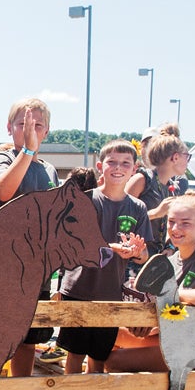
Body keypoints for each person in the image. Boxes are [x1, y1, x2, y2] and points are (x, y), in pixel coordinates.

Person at [106, 194, 195, 372]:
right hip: (176, 339)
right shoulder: (170, 261)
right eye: (171, 222)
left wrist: (169, 293)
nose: (175, 228)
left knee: (114, 361)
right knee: (103, 340)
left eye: (185, 223)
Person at [57, 139, 151, 374]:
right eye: (112, 162)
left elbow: (145, 255)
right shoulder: (85, 200)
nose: (118, 168)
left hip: (111, 293)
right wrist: (110, 247)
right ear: (100, 166)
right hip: (78, 289)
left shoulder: (138, 208)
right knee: (74, 355)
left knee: (99, 358)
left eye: (125, 163)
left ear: (134, 169)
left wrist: (137, 252)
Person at [0, 98, 60, 376]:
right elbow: (2, 192)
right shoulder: (3, 158)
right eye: (23, 124)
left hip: (38, 272)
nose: (30, 129)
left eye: (37, 125)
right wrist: (27, 151)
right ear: (9, 128)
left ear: (47, 132)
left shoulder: (50, 169)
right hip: (5, 270)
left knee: (31, 338)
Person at [126, 133, 190, 253]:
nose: (188, 161)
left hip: (155, 260)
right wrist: (156, 213)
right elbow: (119, 218)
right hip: (132, 259)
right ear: (175, 158)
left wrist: (170, 246)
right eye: (187, 156)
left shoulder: (173, 188)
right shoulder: (142, 179)